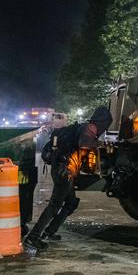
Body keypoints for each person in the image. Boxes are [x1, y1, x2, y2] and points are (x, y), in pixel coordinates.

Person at [23, 107, 112, 251]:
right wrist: (101, 145)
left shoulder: (83, 126)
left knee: (71, 203)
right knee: (54, 205)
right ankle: (33, 237)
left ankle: (49, 232)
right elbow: (84, 143)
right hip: (65, 172)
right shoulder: (90, 128)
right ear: (103, 121)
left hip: (62, 169)